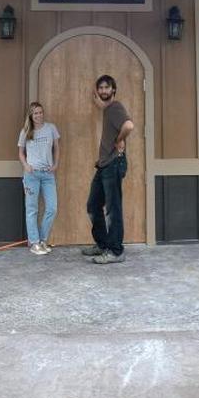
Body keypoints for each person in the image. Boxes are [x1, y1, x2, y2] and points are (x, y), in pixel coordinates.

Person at [83, 74, 134, 264]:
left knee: (113, 209)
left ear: (113, 90)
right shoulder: (108, 109)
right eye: (100, 88)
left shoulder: (115, 107)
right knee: (93, 205)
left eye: (107, 87)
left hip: (113, 164)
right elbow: (106, 107)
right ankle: (103, 244)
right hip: (104, 164)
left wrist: (119, 140)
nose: (103, 91)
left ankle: (116, 251)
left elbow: (129, 125)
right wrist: (100, 103)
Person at [18, 101, 59, 255]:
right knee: (32, 209)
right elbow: (20, 153)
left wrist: (55, 164)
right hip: (31, 175)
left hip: (48, 174)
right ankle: (34, 243)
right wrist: (26, 166)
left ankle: (42, 240)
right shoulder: (25, 131)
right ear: (31, 115)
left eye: (40, 112)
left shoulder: (51, 128)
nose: (38, 115)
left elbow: (57, 148)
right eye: (35, 113)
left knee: (52, 208)